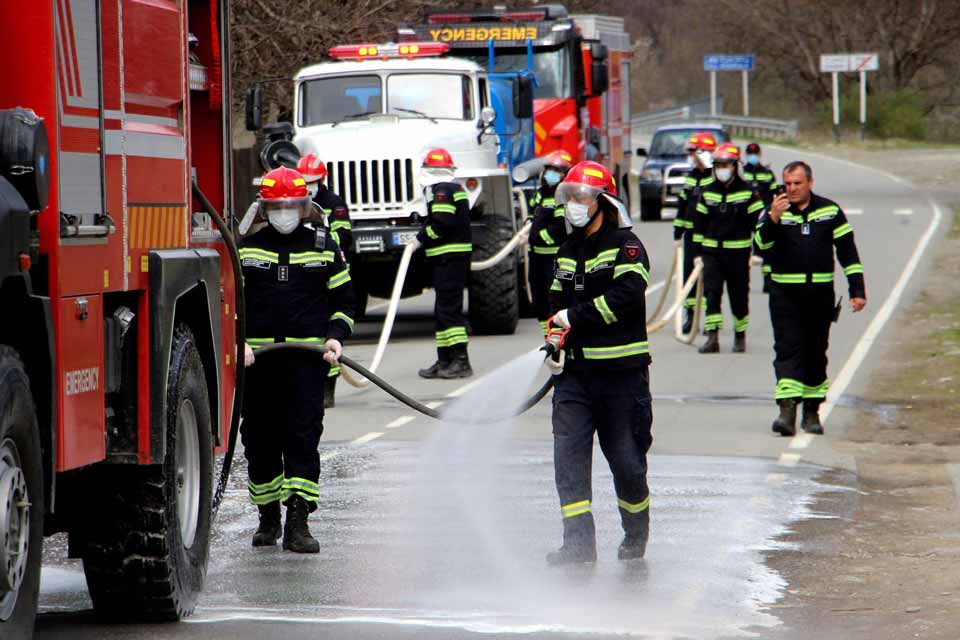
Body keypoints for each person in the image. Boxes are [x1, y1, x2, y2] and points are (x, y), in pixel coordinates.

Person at [240, 166, 356, 553]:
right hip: (258, 364)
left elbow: (344, 301)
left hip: (307, 364)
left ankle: (299, 523)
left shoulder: (324, 245)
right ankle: (268, 517)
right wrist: (237, 343)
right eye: (277, 206)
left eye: (292, 205)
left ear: (304, 206)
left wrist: (336, 338)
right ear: (265, 208)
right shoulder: (246, 246)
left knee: (302, 439)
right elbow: (230, 305)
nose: (284, 212)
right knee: (259, 440)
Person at [546, 161, 653, 564]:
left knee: (627, 464)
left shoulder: (626, 246)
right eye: (570, 197)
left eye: (581, 197)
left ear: (602, 201)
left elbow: (626, 296)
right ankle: (578, 546)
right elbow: (556, 300)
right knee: (568, 462)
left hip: (622, 379)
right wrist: (555, 337)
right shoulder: (567, 250)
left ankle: (635, 534)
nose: (573, 204)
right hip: (573, 379)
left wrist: (577, 317)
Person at [754, 160, 866, 436]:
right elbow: (760, 245)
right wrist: (772, 218)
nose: (791, 189)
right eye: (788, 183)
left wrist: (857, 290)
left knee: (816, 352)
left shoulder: (829, 211)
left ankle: (812, 412)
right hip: (785, 295)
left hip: (819, 296)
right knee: (787, 350)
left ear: (810, 183)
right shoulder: (774, 210)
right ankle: (786, 412)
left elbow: (848, 253)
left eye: (797, 183)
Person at [692, 143, 765, 354]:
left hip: (738, 255)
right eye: (719, 165)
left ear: (734, 166)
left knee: (739, 295)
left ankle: (740, 336)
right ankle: (712, 337)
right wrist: (697, 254)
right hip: (712, 254)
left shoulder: (748, 193)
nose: (722, 169)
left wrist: (758, 252)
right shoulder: (707, 193)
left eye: (726, 164)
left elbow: (759, 225)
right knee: (711, 294)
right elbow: (699, 225)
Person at [297, 153, 354, 408]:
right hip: (307, 274)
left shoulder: (334, 203)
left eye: (313, 181)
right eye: (305, 180)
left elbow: (343, 235)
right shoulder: (297, 203)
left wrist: (324, 243)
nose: (309, 185)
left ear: (322, 180)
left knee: (330, 329)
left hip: (331, 273)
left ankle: (327, 389)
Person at [416, 148, 473, 379]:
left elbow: (441, 224)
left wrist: (419, 238)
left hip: (450, 260)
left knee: (449, 312)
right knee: (442, 312)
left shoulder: (443, 190)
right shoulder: (450, 188)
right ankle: (444, 360)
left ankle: (461, 361)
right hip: (446, 260)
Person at [673, 131, 717, 332]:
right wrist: (678, 230)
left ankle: (710, 320)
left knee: (709, 279)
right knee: (688, 277)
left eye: (693, 152)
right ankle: (690, 317)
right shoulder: (690, 179)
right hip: (691, 236)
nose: (690, 156)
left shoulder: (715, 180)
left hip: (709, 237)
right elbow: (683, 205)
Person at [527, 150, 574, 335]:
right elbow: (533, 213)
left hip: (554, 258)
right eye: (549, 169)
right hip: (536, 257)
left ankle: (559, 335)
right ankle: (547, 336)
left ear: (565, 174)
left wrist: (539, 237)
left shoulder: (564, 196)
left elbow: (560, 227)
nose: (551, 174)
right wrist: (528, 225)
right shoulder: (541, 193)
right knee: (539, 299)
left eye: (556, 170)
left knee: (554, 298)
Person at [741, 142, 778, 292]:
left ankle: (768, 280)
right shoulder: (742, 172)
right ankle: (743, 280)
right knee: (743, 248)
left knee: (767, 247)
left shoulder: (767, 173)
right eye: (750, 154)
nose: (753, 156)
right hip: (745, 215)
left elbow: (775, 194)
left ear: (760, 154)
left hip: (764, 215)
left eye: (755, 153)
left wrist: (771, 212)